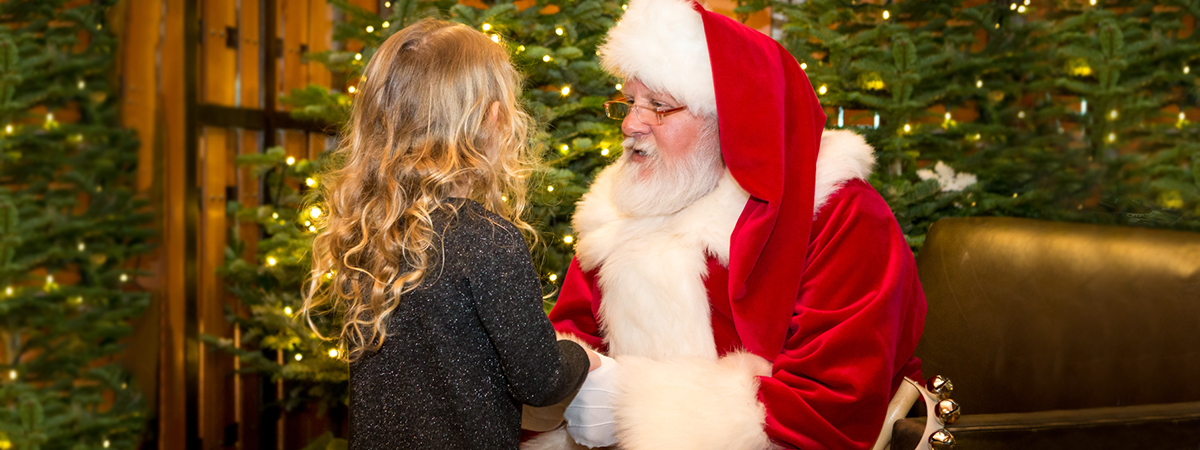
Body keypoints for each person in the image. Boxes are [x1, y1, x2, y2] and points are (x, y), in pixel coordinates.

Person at [520, 0, 926, 448]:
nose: (631, 124)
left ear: (730, 123)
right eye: (629, 101)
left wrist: (626, 406)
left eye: (658, 105)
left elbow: (830, 404)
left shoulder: (841, 215)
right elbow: (571, 339)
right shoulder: (623, 209)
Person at [299, 18, 602, 450]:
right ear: (493, 120)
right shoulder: (486, 239)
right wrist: (581, 359)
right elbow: (540, 380)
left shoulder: (373, 230)